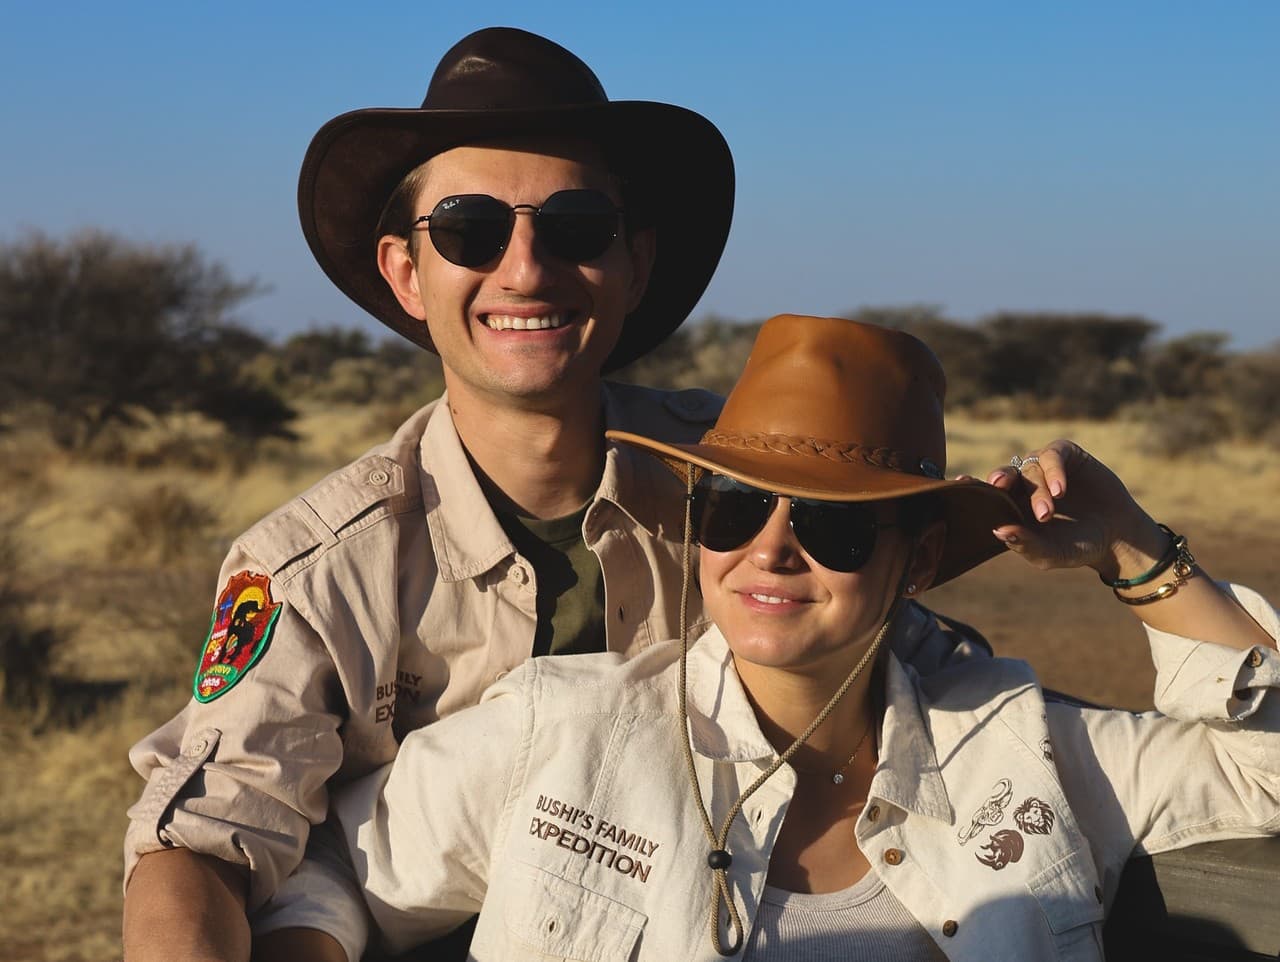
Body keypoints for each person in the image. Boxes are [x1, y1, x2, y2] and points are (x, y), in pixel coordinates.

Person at [120, 30, 984, 962]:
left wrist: (1088, 548)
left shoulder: (742, 490)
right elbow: (203, 837)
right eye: (469, 230)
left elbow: (913, 661)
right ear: (406, 272)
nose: (526, 269)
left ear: (636, 264)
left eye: (576, 227)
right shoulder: (317, 568)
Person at [325, 314, 1279, 961]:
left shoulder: (1024, 751)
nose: (771, 550)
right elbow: (330, 873)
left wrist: (1135, 549)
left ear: (916, 560)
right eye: (733, 507)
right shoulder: (563, 731)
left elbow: (1265, 775)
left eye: (835, 525)